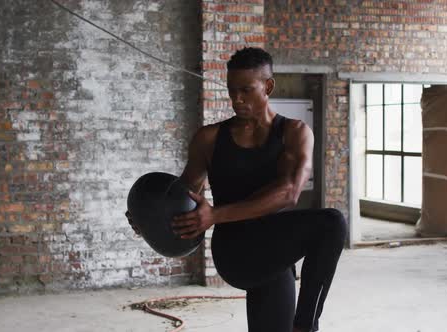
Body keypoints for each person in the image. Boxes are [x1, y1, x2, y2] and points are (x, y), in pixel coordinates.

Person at [127, 47, 347, 332]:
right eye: (232, 90)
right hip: (235, 252)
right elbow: (184, 194)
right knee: (330, 224)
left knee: (331, 224)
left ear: (268, 86)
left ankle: (303, 324)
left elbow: (289, 192)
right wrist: (149, 217)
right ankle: (306, 328)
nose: (236, 99)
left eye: (246, 90)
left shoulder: (294, 133)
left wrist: (215, 214)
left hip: (275, 249)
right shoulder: (209, 138)